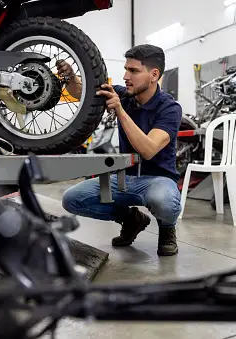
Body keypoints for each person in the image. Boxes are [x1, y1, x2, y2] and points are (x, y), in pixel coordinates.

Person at [57, 44, 182, 256]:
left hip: (157, 180)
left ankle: (167, 228)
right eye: (126, 69)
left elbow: (149, 149)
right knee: (72, 199)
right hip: (124, 179)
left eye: (133, 71)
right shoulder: (124, 95)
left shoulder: (170, 108)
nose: (125, 76)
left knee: (164, 201)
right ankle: (132, 219)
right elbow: (82, 92)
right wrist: (71, 77)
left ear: (154, 75)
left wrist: (120, 110)